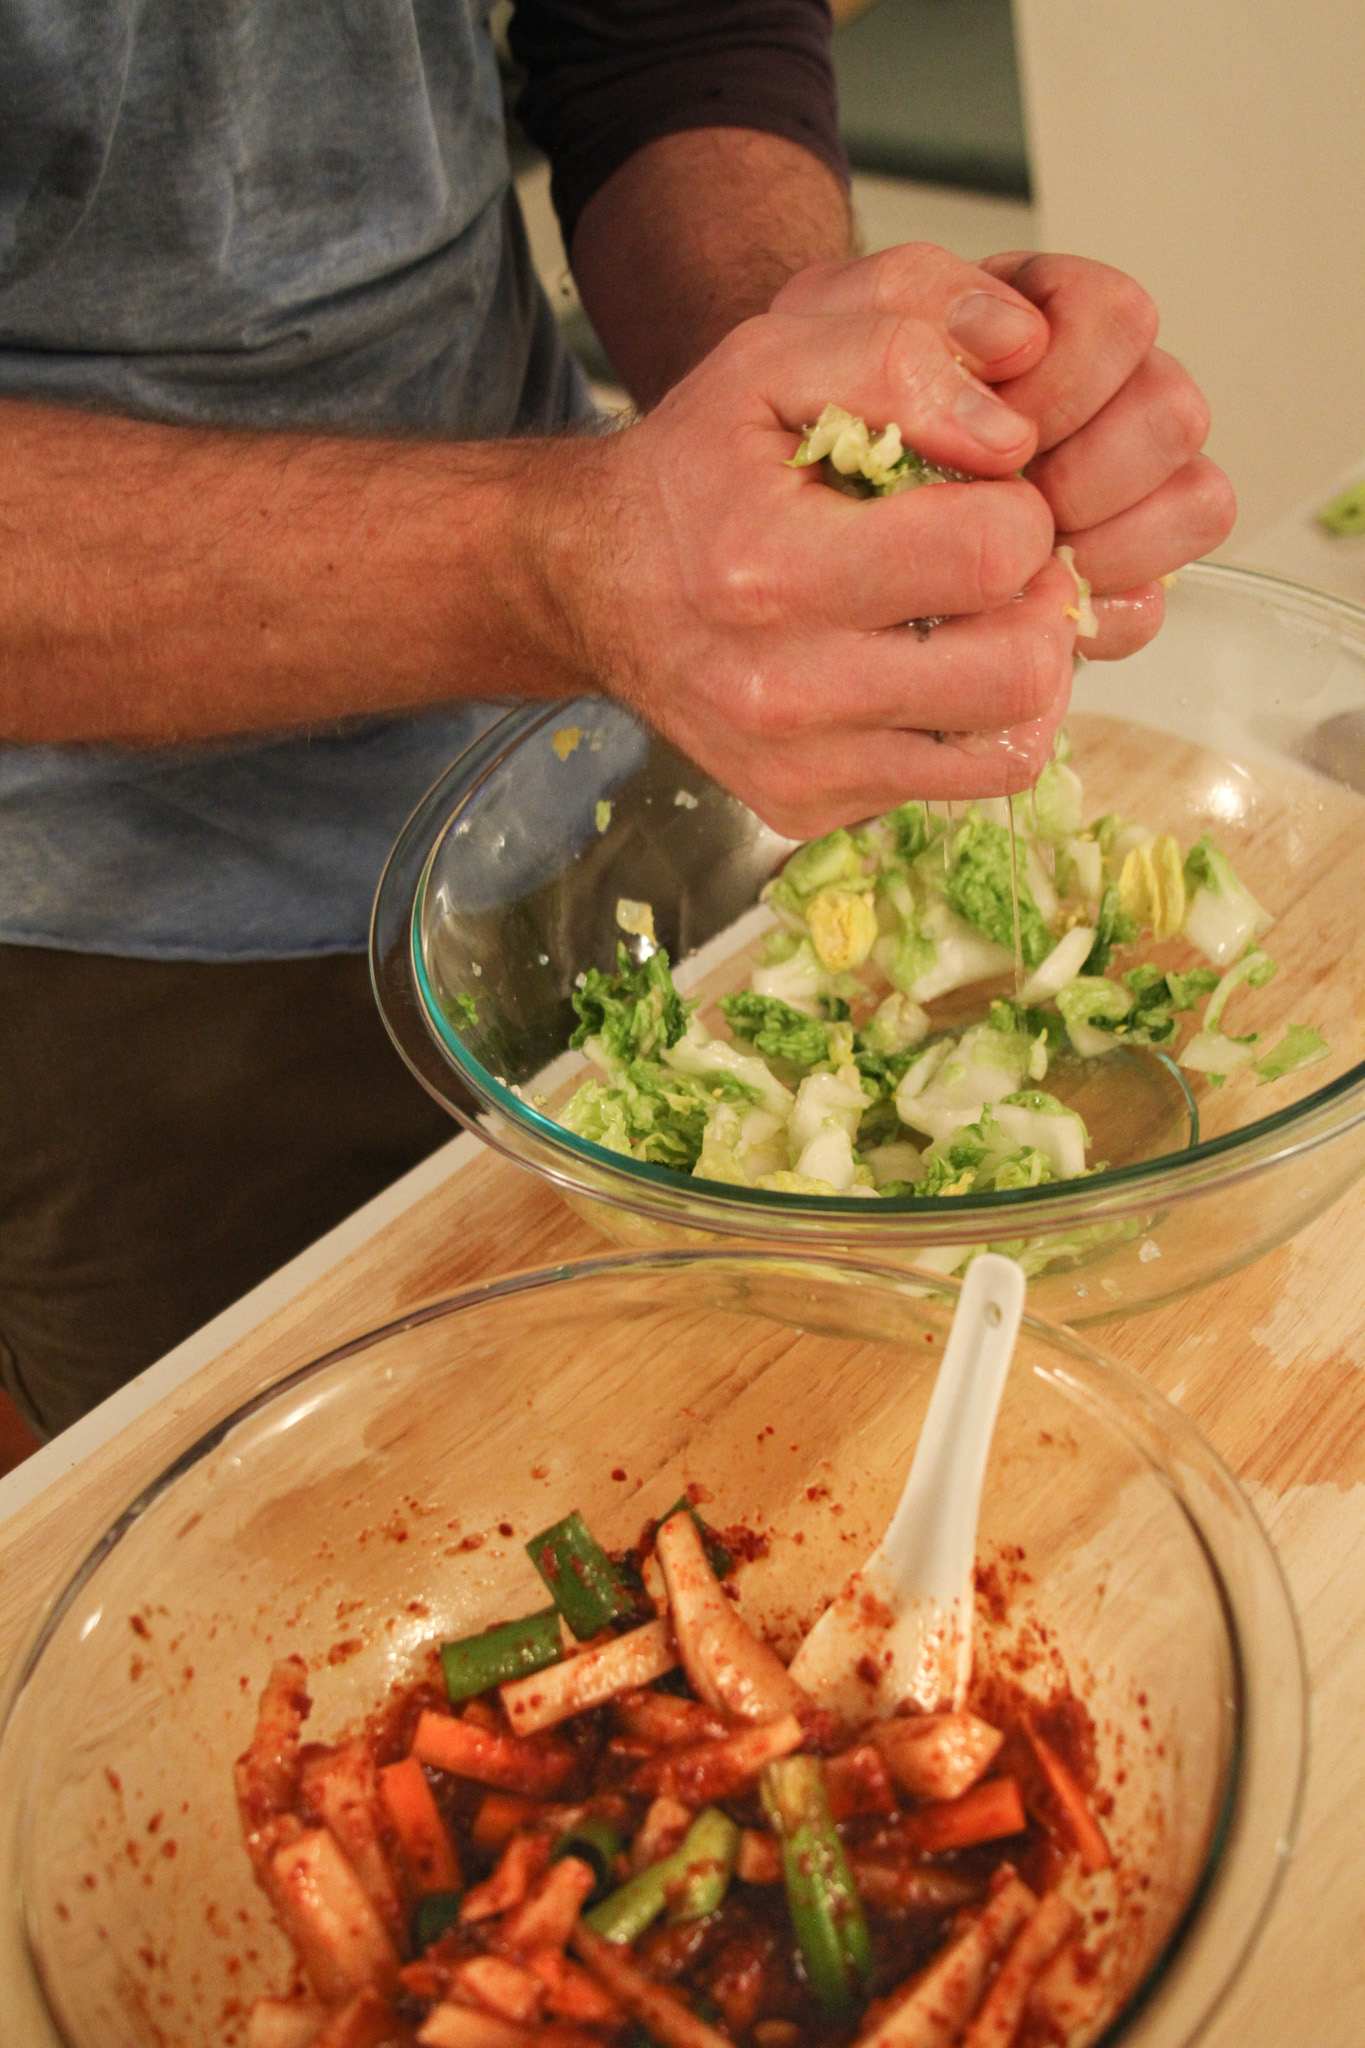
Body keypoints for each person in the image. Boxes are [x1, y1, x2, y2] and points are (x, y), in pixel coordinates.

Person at [0, 0, 1235, 1439]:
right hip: (122, 959)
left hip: (608, 751)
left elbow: (654, 32)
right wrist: (552, 563)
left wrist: (815, 409)